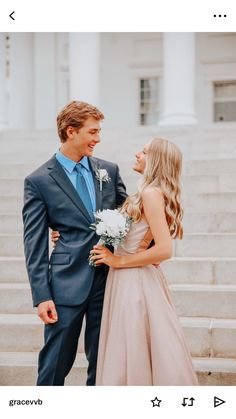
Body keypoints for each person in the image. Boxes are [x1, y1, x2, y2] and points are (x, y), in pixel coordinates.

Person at [22, 101, 127, 386]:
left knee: (104, 361)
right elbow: (33, 242)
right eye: (92, 132)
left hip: (106, 280)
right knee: (55, 361)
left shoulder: (109, 170)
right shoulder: (39, 181)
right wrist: (41, 295)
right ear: (71, 131)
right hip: (65, 283)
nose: (98, 138)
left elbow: (131, 214)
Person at [90, 138, 198, 385]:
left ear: (156, 160)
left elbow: (164, 249)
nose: (137, 154)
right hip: (129, 277)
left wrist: (117, 261)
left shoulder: (151, 194)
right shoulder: (147, 193)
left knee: (132, 346)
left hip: (134, 280)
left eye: (145, 152)